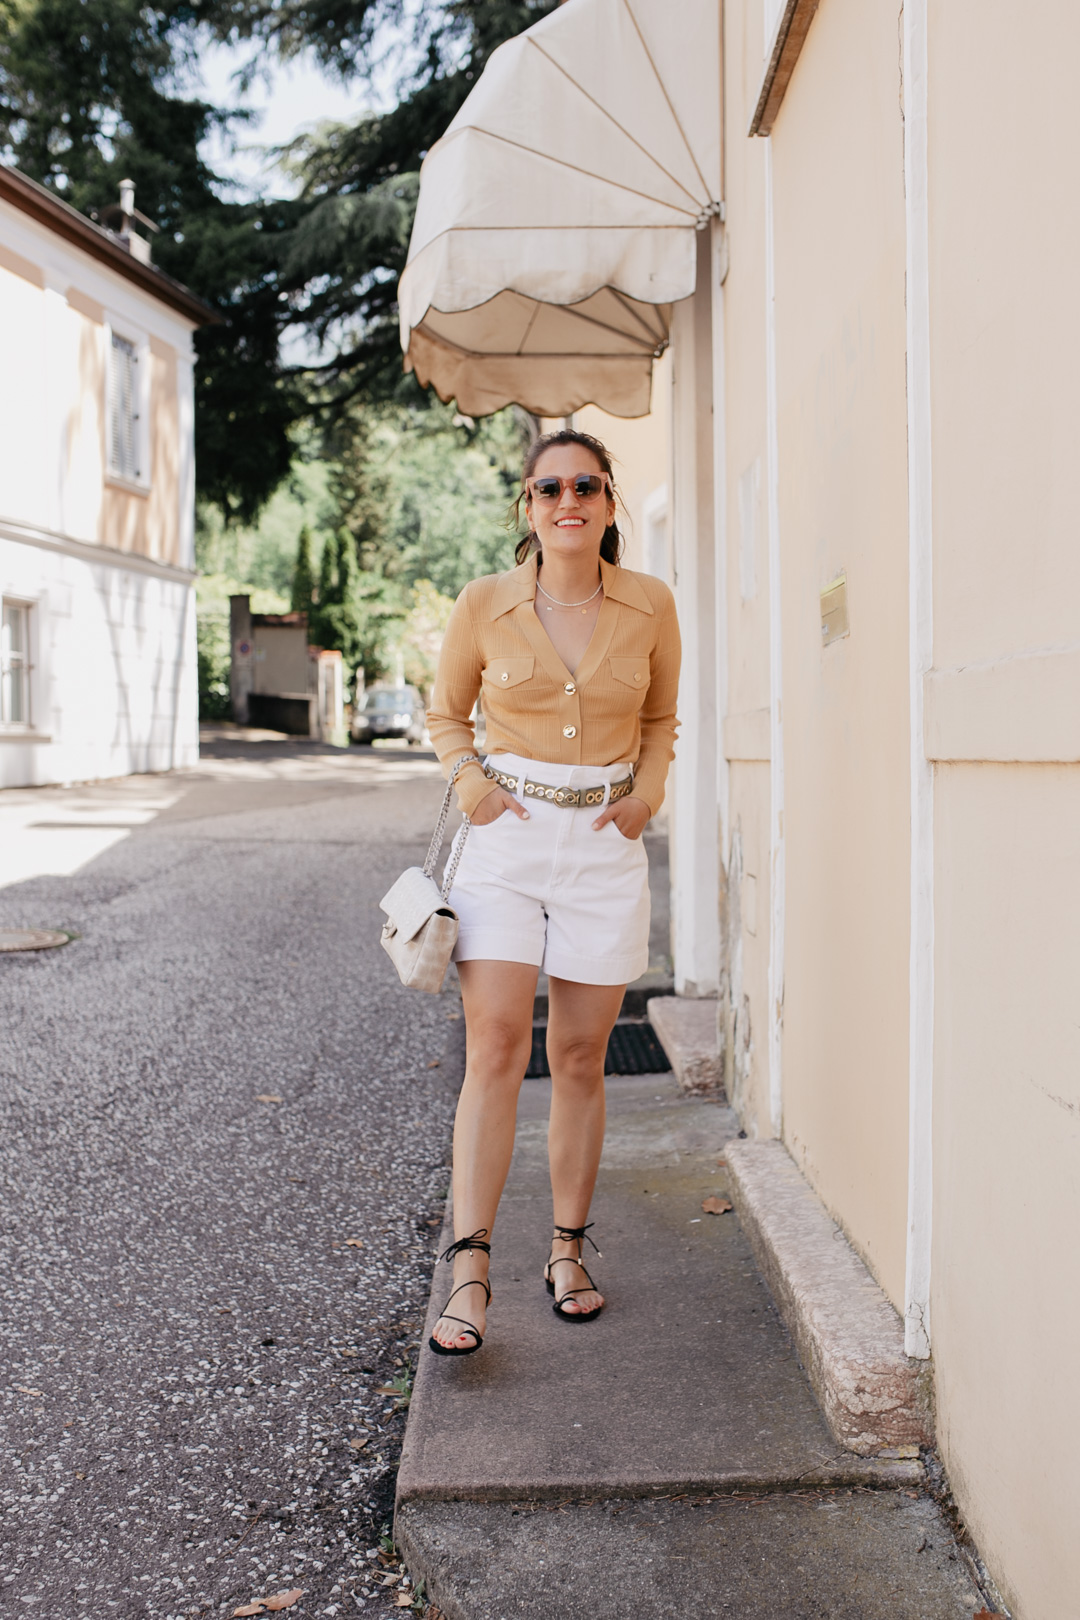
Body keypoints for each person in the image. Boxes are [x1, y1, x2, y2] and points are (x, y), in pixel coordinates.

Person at [424, 427, 680, 1355]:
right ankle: (470, 1270)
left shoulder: (652, 606)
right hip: (506, 841)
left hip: (605, 845)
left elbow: (659, 719)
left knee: (578, 1056)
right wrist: (475, 789)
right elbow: (447, 713)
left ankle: (567, 1252)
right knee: (494, 1045)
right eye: (548, 487)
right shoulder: (485, 603)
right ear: (526, 508)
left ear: (610, 503)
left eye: (586, 484)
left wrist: (647, 798)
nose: (566, 499)